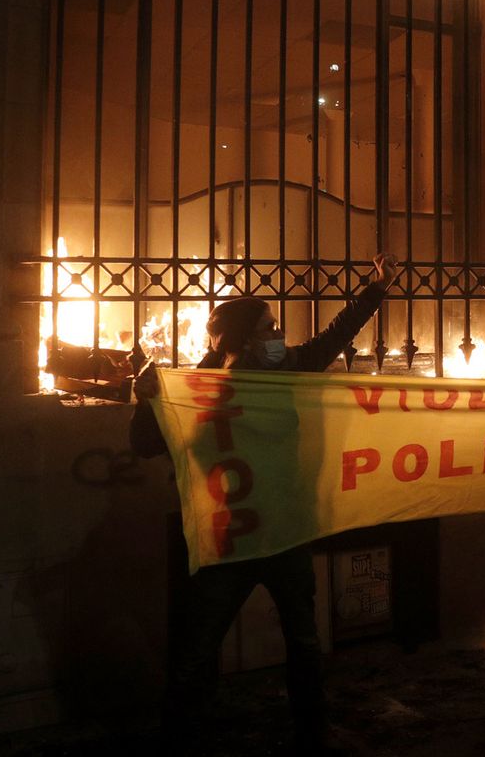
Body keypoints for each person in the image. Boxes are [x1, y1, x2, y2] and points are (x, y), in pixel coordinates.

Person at [129, 253, 402, 754]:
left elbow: (335, 335)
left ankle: (311, 734)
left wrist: (377, 289)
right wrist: (146, 397)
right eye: (269, 328)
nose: (279, 336)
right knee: (197, 651)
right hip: (229, 538)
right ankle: (184, 737)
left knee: (302, 642)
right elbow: (147, 443)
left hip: (283, 532)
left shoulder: (287, 369)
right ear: (243, 340)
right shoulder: (200, 387)